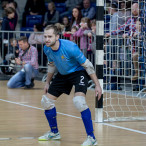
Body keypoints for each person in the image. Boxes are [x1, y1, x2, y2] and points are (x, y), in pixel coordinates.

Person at [38, 25, 102, 146]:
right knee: (46, 102)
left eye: (50, 36)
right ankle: (54, 133)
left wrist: (97, 85)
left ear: (57, 37)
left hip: (78, 72)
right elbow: (52, 65)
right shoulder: (47, 49)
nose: (47, 39)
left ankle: (92, 138)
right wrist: (47, 83)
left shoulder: (70, 47)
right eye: (45, 36)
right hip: (63, 74)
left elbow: (87, 65)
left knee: (79, 102)